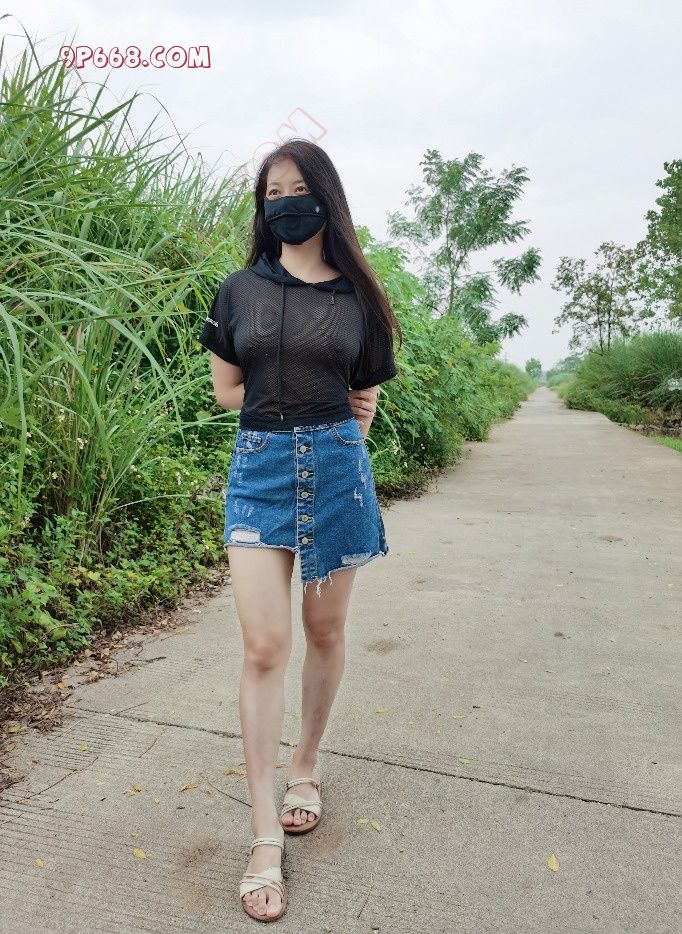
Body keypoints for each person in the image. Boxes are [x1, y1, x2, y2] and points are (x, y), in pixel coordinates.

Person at [198, 139, 401, 922]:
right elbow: (226, 389)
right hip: (260, 469)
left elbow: (366, 394)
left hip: (337, 466)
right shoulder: (239, 290)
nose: (284, 202)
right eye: (271, 192)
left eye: (296, 189)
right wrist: (283, 397)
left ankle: (306, 763)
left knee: (324, 631)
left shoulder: (360, 298)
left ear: (325, 198)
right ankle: (262, 837)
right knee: (262, 647)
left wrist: (344, 432)